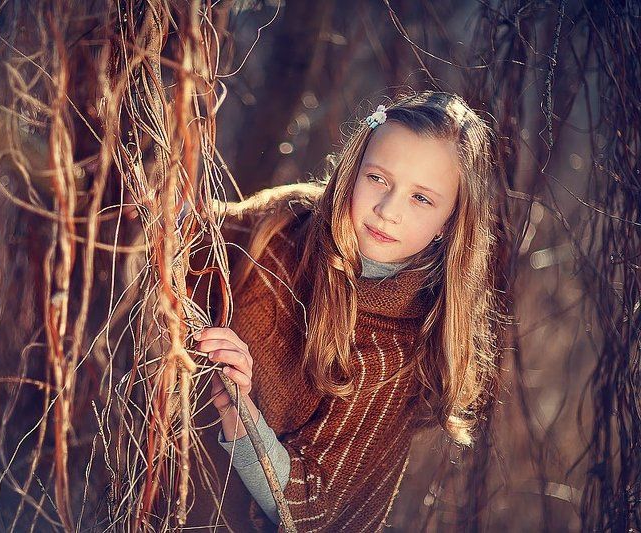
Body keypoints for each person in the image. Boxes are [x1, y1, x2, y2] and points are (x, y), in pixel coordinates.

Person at [185, 90, 502, 532]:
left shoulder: (400, 352)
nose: (388, 211)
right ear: (354, 171)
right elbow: (190, 238)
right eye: (378, 179)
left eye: (421, 198)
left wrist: (242, 415)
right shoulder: (287, 222)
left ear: (448, 223)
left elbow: (318, 507)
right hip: (163, 481)